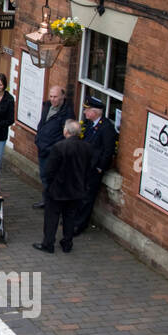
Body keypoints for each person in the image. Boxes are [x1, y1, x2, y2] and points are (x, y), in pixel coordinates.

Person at [34, 119, 93, 253]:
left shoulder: (59, 147)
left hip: (58, 189)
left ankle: (48, 243)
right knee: (70, 217)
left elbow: (49, 170)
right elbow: (88, 169)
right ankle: (67, 243)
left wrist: (49, 185)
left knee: (52, 217)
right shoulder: (87, 147)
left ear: (66, 131)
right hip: (76, 189)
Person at [72, 96, 118, 237]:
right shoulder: (88, 123)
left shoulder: (106, 128)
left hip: (93, 168)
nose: (85, 113)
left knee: (87, 197)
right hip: (83, 165)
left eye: (87, 110)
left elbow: (108, 151)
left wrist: (100, 168)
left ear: (96, 112)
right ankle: (73, 220)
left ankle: (79, 224)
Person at [32, 85, 71, 209]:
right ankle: (46, 200)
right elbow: (42, 123)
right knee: (44, 176)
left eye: (55, 97)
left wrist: (52, 148)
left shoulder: (67, 113)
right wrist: (38, 139)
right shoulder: (47, 106)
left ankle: (53, 203)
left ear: (62, 97)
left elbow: (65, 136)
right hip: (42, 149)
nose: (53, 99)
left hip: (53, 152)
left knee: (53, 178)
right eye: (51, 96)